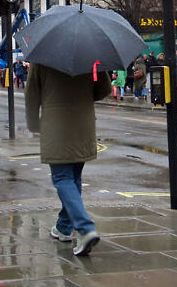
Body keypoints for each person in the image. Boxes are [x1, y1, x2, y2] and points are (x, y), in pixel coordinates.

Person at [25, 61, 112, 256]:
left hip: (56, 124)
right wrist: (84, 98)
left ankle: (85, 228)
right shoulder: (90, 55)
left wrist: (32, 122)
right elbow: (105, 88)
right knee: (73, 177)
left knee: (62, 178)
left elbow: (32, 93)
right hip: (83, 122)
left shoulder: (43, 58)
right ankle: (64, 227)